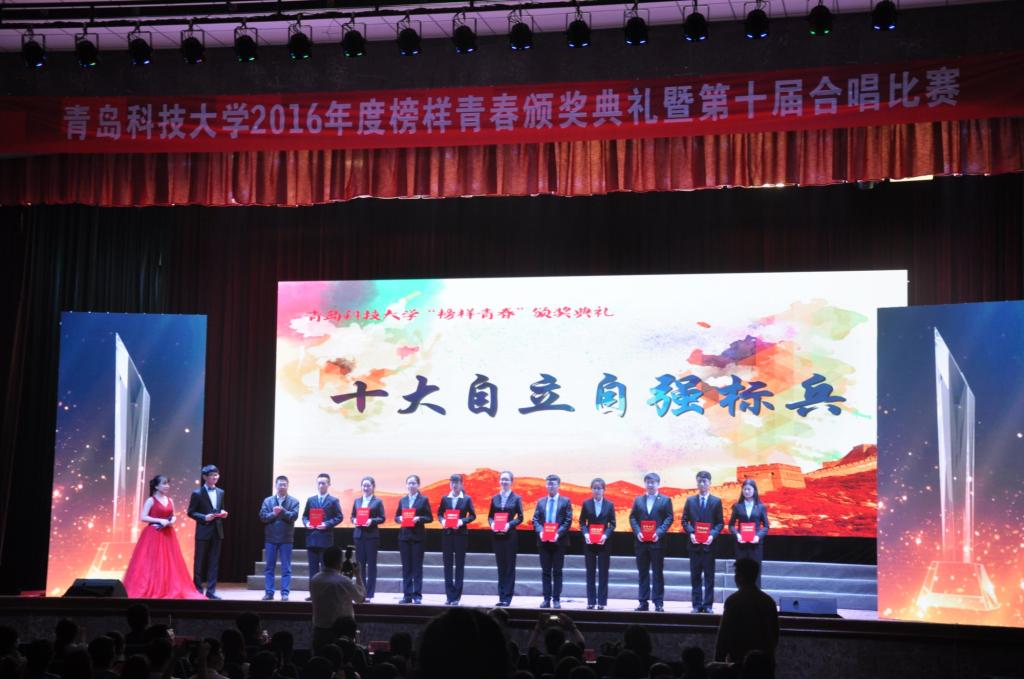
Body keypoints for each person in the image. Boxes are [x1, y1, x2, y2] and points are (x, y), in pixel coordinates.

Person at [123, 475, 206, 599]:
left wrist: (172, 520)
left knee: (170, 562)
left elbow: (173, 515)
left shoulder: (170, 500)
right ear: (156, 486)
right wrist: (159, 520)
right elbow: (143, 517)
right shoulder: (151, 500)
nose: (167, 486)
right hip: (154, 534)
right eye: (164, 483)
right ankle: (153, 587)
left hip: (168, 534)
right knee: (153, 562)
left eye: (168, 483)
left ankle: (167, 588)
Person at [714, 558, 779, 669]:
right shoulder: (768, 601)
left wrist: (718, 663)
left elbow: (724, 636)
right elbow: (774, 635)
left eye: (736, 573)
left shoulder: (734, 601)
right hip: (764, 665)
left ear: (740, 577)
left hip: (739, 664)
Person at [628, 472, 674, 612]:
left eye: (653, 482)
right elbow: (632, 518)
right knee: (643, 573)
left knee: (657, 573)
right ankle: (643, 602)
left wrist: (659, 533)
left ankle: (658, 602)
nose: (650, 485)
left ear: (658, 484)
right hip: (641, 542)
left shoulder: (665, 500)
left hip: (657, 543)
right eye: (648, 482)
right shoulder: (638, 500)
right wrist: (638, 532)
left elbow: (669, 518)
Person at [310, 545, 366, 652]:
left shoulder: (314, 579)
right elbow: (360, 598)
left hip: (319, 632)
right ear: (339, 562)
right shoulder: (343, 581)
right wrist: (358, 575)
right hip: (341, 635)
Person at [683, 470, 724, 613]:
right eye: (699, 481)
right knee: (695, 577)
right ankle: (696, 605)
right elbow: (684, 521)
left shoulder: (716, 501)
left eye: (704, 481)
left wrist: (712, 535)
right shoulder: (690, 500)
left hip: (709, 546)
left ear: (710, 483)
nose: (702, 484)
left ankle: (708, 605)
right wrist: (691, 533)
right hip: (694, 545)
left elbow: (720, 523)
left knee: (709, 577)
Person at [532, 474, 573, 609]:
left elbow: (568, 520)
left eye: (553, 484)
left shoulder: (565, 501)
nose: (550, 486)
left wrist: (558, 534)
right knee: (545, 572)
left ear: (558, 485)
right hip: (543, 541)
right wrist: (540, 532)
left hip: (558, 542)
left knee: (557, 571)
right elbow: (535, 519)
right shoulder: (541, 501)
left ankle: (556, 599)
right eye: (548, 484)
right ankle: (546, 599)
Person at [188, 464, 228, 599]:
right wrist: (204, 517)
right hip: (203, 530)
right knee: (199, 562)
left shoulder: (221, 492)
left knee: (214, 562)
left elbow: (220, 508)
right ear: (205, 477)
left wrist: (223, 513)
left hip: (217, 531)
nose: (215, 477)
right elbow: (191, 512)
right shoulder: (197, 493)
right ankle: (198, 590)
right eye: (212, 475)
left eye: (216, 475)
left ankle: (211, 591)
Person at [437, 473, 477, 605]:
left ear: (461, 484)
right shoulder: (445, 498)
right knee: (447, 565)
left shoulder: (466, 499)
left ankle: (456, 597)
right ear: (450, 484)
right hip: (447, 535)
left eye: (457, 482)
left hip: (461, 535)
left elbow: (472, 515)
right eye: (452, 482)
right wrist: (443, 521)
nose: (454, 485)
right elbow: (439, 514)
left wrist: (461, 521)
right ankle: (449, 596)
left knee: (459, 565)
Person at [302, 473, 344, 600]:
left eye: (323, 483)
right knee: (312, 570)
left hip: (325, 540)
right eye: (319, 483)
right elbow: (304, 516)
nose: (321, 485)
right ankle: (313, 594)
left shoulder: (333, 500)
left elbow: (339, 517)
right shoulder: (311, 500)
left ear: (328, 484)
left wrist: (326, 524)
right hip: (312, 539)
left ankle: (326, 594)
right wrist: (307, 523)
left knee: (326, 570)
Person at [259, 475, 300, 601]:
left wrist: (282, 511)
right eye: (280, 484)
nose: (282, 487)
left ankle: (285, 593)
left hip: (286, 539)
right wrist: (274, 513)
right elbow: (263, 517)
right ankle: (269, 592)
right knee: (269, 567)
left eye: (284, 485)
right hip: (271, 538)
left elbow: (293, 517)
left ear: (288, 486)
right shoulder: (268, 501)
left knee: (286, 568)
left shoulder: (294, 501)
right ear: (275, 486)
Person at [395, 474, 433, 604]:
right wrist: (399, 518)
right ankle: (407, 595)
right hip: (404, 537)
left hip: (418, 537)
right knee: (406, 567)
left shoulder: (423, 500)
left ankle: (417, 595)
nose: (411, 485)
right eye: (409, 483)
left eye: (413, 483)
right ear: (406, 485)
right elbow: (396, 517)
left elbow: (429, 518)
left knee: (417, 567)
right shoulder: (403, 500)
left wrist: (419, 518)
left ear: (418, 485)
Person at [488, 470, 524, 607]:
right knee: (500, 566)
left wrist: (509, 524)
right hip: (497, 535)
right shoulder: (495, 498)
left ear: (511, 482)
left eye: (506, 480)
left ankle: (507, 598)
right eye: (502, 479)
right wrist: (492, 524)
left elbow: (520, 517)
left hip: (510, 536)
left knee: (509, 566)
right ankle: (501, 596)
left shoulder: (516, 498)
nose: (504, 482)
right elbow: (490, 516)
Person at [579, 477, 615, 610]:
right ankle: (591, 601)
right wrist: (586, 534)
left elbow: (612, 524)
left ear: (604, 490)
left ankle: (601, 602)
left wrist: (605, 535)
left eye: (599, 488)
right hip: (589, 542)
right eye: (594, 488)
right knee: (590, 572)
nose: (597, 491)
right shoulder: (586, 503)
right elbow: (582, 522)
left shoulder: (609, 505)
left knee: (603, 573)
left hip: (604, 543)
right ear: (591, 489)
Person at [350, 475, 386, 602]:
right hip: (359, 536)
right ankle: (361, 592)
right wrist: (354, 520)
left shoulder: (378, 501)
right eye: (363, 486)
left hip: (371, 537)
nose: (365, 488)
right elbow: (352, 516)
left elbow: (382, 518)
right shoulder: (357, 501)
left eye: (368, 486)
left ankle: (369, 594)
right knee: (360, 566)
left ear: (373, 487)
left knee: (371, 566)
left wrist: (371, 521)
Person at [728, 479, 770, 588]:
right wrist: (737, 535)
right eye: (745, 489)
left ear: (754, 490)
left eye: (749, 489)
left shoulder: (761, 506)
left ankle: (755, 597)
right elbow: (731, 525)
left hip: (755, 545)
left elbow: (766, 526)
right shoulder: (737, 506)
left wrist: (758, 536)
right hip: (741, 545)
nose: (746, 491)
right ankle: (741, 596)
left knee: (755, 573)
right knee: (741, 572)